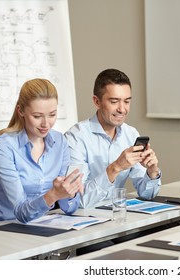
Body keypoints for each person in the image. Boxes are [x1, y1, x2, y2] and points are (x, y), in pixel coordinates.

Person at [0, 78, 84, 226]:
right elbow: (21, 212)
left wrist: (71, 192)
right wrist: (53, 195)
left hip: (35, 227)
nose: (46, 124)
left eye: (52, 114)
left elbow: (69, 208)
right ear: (21, 111)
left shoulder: (60, 142)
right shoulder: (3, 145)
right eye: (37, 116)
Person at [64, 68, 161, 208]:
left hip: (118, 216)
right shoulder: (76, 137)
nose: (122, 109)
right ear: (96, 101)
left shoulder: (131, 134)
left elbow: (148, 194)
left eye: (127, 101)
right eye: (114, 101)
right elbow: (77, 200)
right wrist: (115, 168)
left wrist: (152, 172)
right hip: (87, 221)